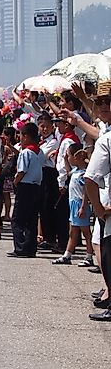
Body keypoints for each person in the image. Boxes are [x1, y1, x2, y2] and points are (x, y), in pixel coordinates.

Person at [84, 81, 111, 321]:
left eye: (107, 102)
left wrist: (100, 210)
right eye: (99, 102)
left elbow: (90, 179)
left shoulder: (106, 140)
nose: (102, 106)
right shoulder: (106, 134)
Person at [52, 143, 95, 266]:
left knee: (86, 232)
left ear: (76, 157)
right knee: (73, 231)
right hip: (73, 203)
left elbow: (86, 191)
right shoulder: (76, 171)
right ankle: (67, 255)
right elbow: (69, 171)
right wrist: (65, 159)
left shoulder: (84, 174)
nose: (68, 158)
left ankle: (89, 256)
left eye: (69, 155)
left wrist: (83, 206)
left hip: (80, 204)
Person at [8, 122, 44, 258]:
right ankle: (30, 248)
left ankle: (20, 247)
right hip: (36, 186)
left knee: (17, 219)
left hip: (25, 186)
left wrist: (15, 182)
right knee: (31, 219)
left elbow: (22, 171)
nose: (20, 138)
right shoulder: (39, 152)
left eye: (21, 135)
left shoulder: (26, 152)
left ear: (27, 137)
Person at [37, 113, 65, 253]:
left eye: (47, 126)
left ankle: (51, 238)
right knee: (43, 207)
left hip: (49, 174)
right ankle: (47, 237)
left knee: (49, 206)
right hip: (42, 174)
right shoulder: (40, 141)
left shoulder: (53, 142)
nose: (44, 129)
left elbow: (41, 158)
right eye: (42, 126)